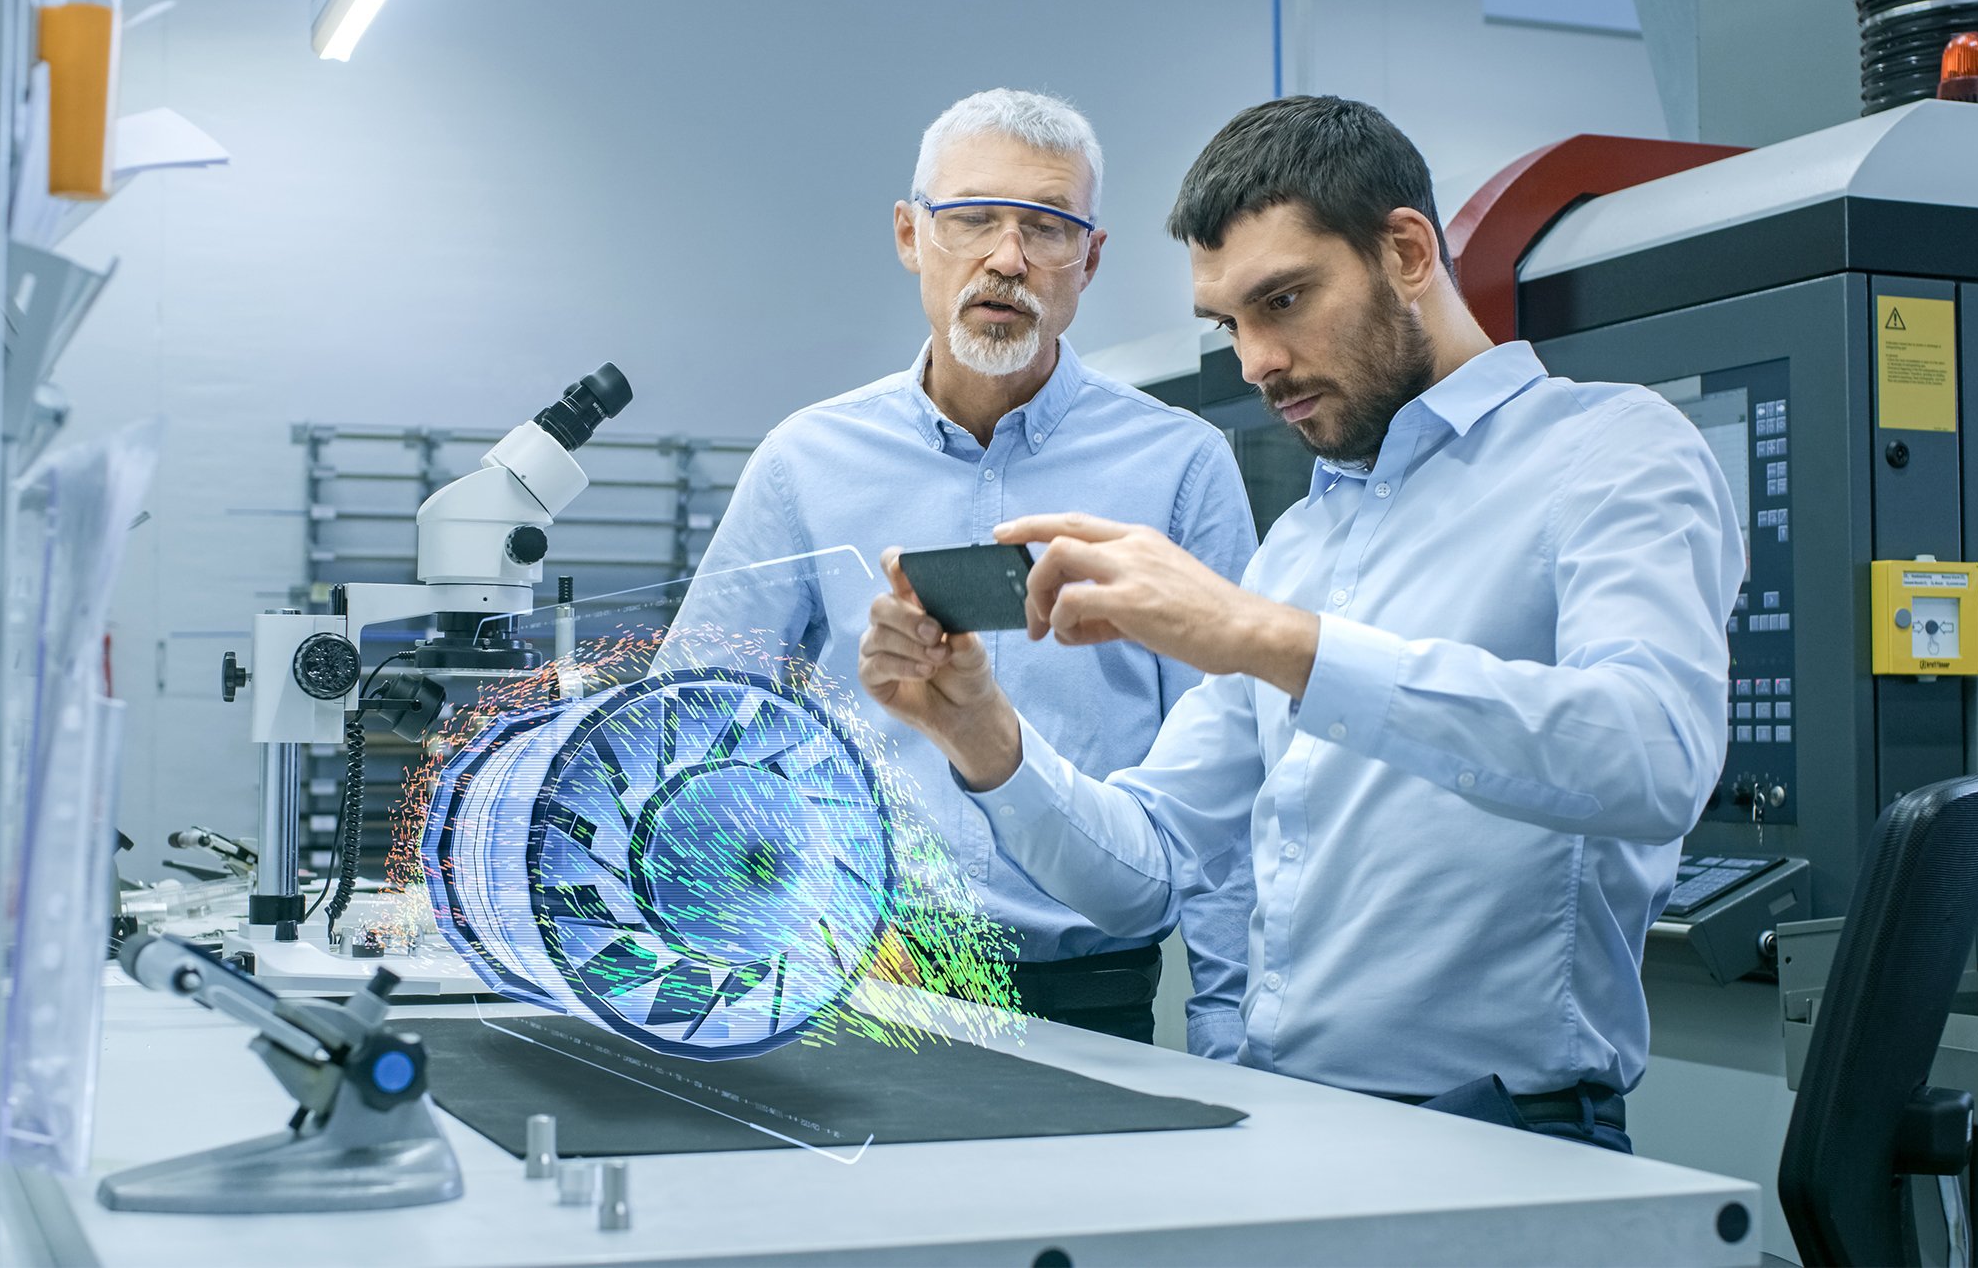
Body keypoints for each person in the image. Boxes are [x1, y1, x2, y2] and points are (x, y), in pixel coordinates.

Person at [857, 95, 1745, 1151]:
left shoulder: (1611, 452)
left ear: (1406, 251)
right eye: (1231, 322)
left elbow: (1653, 758)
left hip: (1497, 1137)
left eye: (1283, 301)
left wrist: (1269, 639)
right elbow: (1143, 871)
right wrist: (982, 736)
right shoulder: (1303, 547)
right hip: (1288, 1125)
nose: (1255, 361)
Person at [665, 89, 1259, 1052]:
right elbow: (690, 719)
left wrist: (1233, 1035)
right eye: (973, 219)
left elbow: (1234, 781)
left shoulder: (1180, 467)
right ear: (911, 235)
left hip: (1090, 994)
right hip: (858, 985)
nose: (1007, 258)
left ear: (1090, 260)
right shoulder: (807, 461)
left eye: (1047, 227)